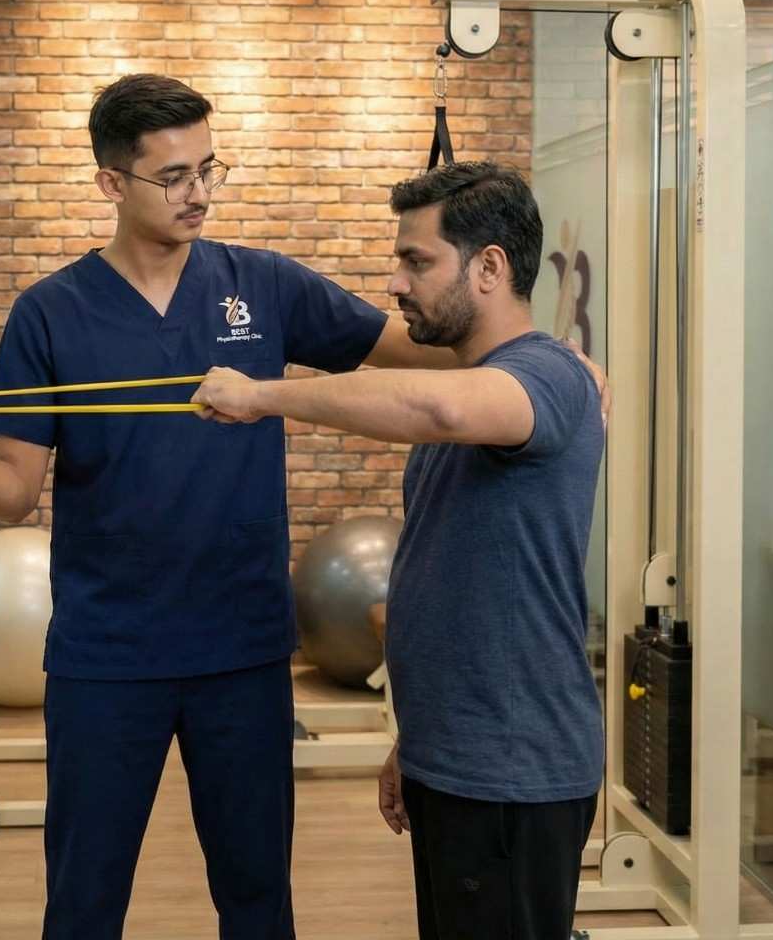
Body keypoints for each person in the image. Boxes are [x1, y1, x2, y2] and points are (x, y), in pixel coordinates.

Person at [0, 74, 457, 940]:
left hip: (240, 646)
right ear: (111, 184)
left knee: (257, 898)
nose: (198, 193)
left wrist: (537, 363)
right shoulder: (50, 314)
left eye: (209, 168)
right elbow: (10, 497)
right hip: (106, 654)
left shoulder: (262, 285)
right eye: (174, 176)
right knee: (83, 905)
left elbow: (411, 350)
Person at [193, 161, 607, 940]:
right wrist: (417, 740)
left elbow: (435, 403)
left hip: (513, 774)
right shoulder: (500, 383)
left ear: (489, 267)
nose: (396, 281)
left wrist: (261, 394)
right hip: (459, 757)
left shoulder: (543, 373)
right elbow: (466, 579)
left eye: (417, 261)